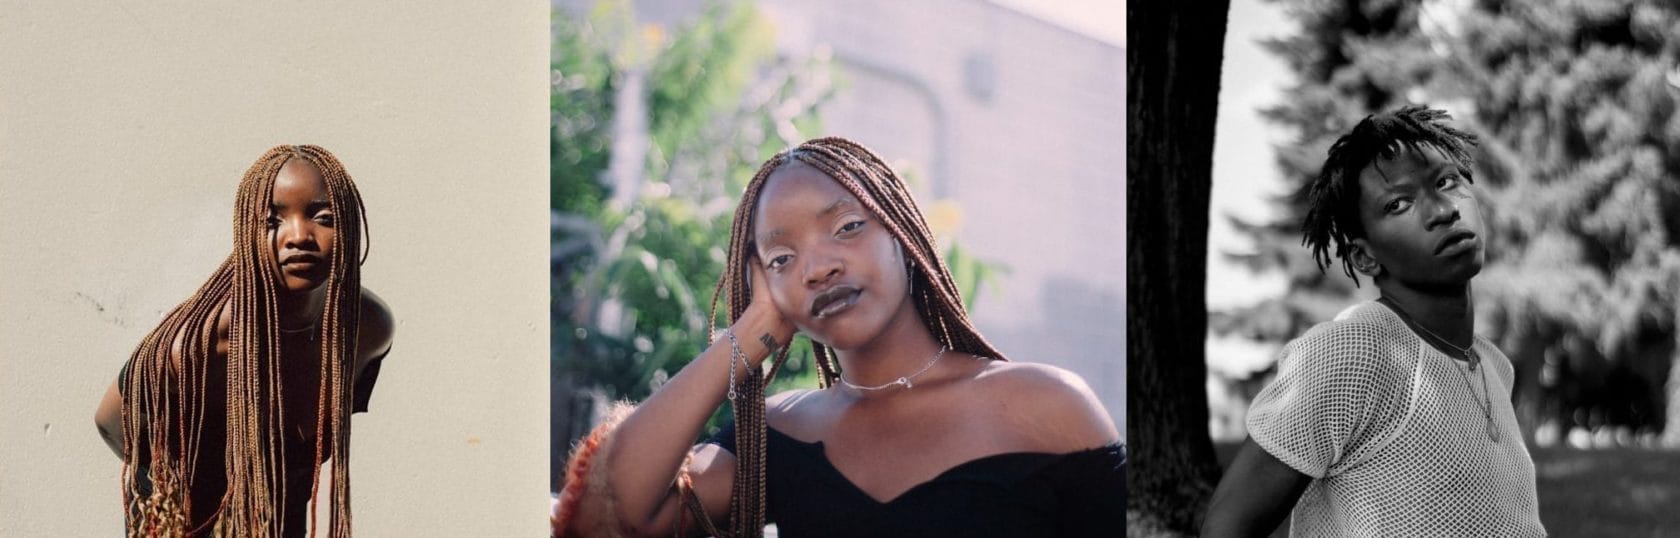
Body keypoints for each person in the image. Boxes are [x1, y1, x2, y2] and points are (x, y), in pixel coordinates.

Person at [554, 137, 1123, 537]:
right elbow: (610, 516)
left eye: (847, 227)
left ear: (901, 234)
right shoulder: (775, 436)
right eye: (782, 257)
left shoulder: (1045, 406)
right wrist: (750, 335)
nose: (818, 267)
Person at [1201, 106, 1545, 537]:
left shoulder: (1494, 367)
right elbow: (1227, 527)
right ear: (1364, 256)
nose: (1441, 210)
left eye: (1446, 181)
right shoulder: (1352, 352)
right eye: (1399, 203)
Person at [92, 145, 395, 537]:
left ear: (350, 228)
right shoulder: (193, 347)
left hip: (278, 520)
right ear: (246, 235)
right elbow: (111, 421)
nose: (298, 236)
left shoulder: (367, 329)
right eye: (272, 221)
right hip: (187, 521)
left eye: (322, 217)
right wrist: (174, 489)